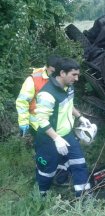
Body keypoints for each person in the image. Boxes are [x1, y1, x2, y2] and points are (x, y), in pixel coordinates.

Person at [34, 57, 92, 197]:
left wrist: (80, 117)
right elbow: (41, 119)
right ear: (62, 73)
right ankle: (42, 195)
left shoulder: (69, 87)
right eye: (74, 75)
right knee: (47, 169)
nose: (77, 78)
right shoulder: (47, 94)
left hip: (67, 134)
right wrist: (56, 138)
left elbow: (68, 105)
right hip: (48, 139)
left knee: (79, 163)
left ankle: (83, 198)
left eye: (77, 75)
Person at [16, 55, 60, 137]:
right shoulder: (34, 79)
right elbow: (22, 101)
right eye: (53, 72)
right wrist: (23, 122)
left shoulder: (61, 77)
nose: (55, 75)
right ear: (46, 67)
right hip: (38, 124)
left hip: (56, 123)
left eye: (57, 72)